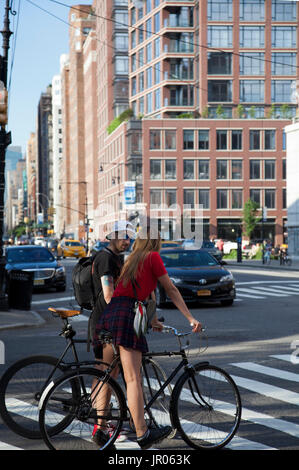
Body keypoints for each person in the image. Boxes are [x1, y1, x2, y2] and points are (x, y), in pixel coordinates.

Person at [93, 226, 202, 450]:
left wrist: (153, 321)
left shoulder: (132, 259)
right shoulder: (152, 257)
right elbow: (170, 289)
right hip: (127, 317)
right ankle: (142, 433)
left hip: (111, 314)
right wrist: (190, 318)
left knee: (107, 373)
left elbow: (143, 290)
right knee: (133, 378)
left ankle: (100, 428)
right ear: (156, 242)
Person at [88, 220, 135, 446]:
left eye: (129, 237)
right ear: (112, 236)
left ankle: (101, 421)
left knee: (105, 374)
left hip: (107, 323)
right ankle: (101, 426)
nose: (127, 241)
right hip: (106, 325)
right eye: (124, 237)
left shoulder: (114, 258)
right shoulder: (106, 258)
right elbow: (108, 295)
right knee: (108, 375)